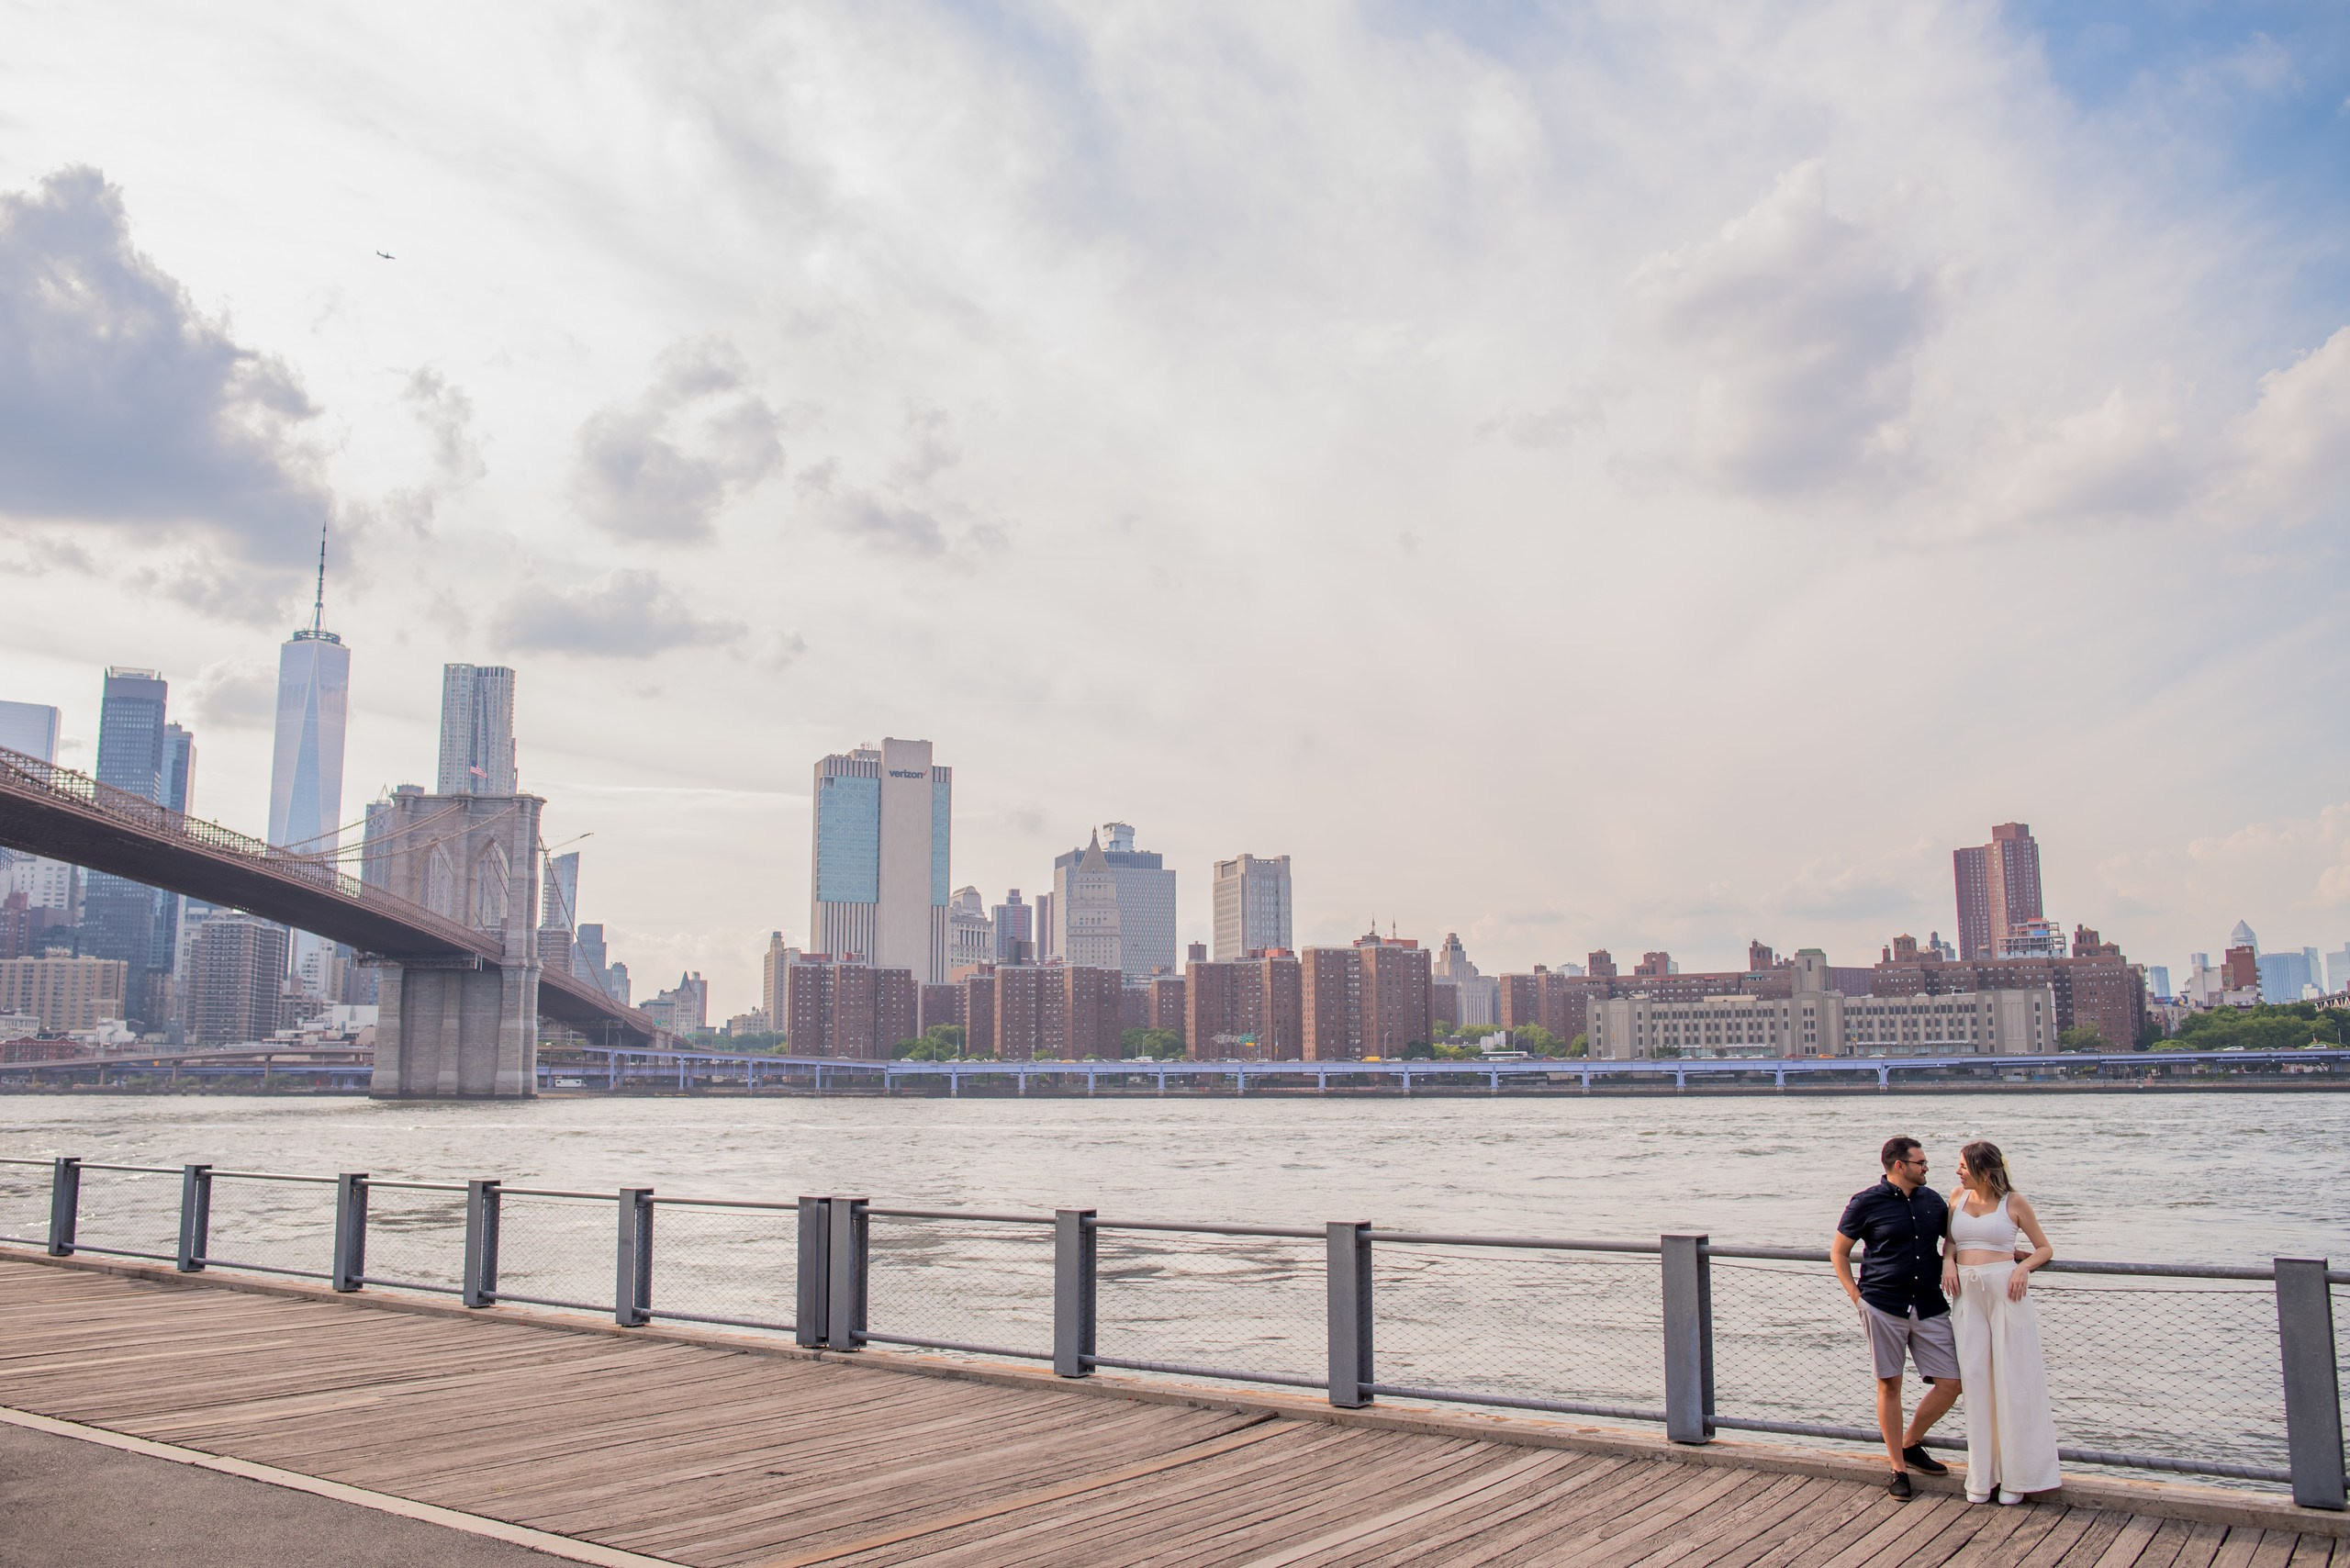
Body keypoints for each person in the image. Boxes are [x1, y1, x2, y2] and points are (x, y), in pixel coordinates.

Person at [1832, 1136, 1961, 1500]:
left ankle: (1909, 1443)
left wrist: (2005, 1254)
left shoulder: (1933, 1201)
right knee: (1890, 1385)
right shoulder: (1865, 1202)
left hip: (1929, 1304)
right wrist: (1857, 1298)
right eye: (1921, 1163)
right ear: (1899, 1166)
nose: (1927, 1168)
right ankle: (1898, 1469)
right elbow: (1839, 1252)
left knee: (1952, 1381)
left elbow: (1958, 1242)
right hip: (1882, 1304)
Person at [1943, 1139, 2061, 1503]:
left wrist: (2023, 1267)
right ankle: (1981, 1477)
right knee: (1976, 1380)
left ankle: (2018, 1479)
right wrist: (1948, 1261)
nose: (1958, 1171)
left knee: (2014, 1382)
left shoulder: (2014, 1202)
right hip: (1967, 1296)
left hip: (2006, 1295)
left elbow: (2044, 1248)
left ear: (1984, 1170)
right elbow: (1950, 1242)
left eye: (1963, 1165)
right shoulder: (1955, 1197)